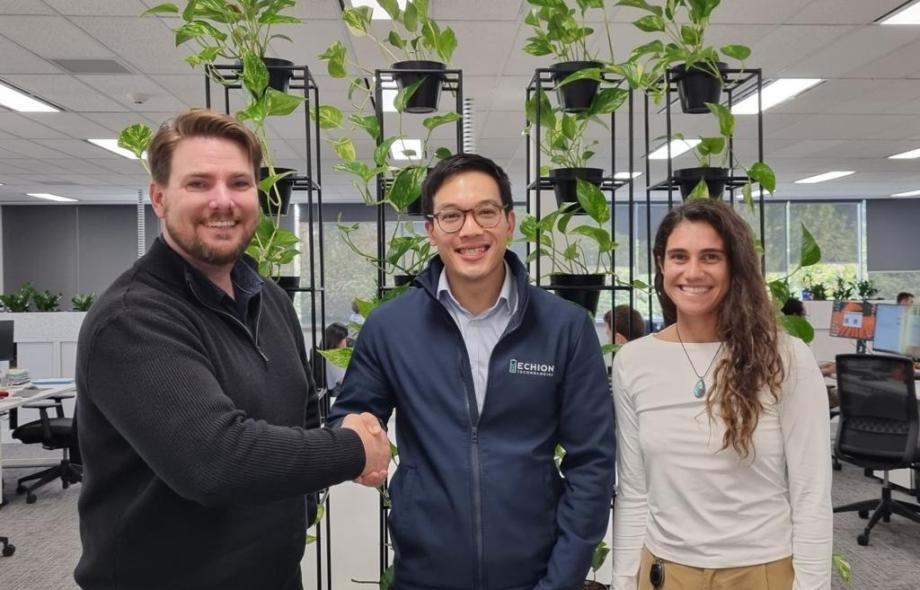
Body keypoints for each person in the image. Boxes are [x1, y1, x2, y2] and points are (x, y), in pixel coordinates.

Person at [74, 109, 390, 590]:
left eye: (239, 183)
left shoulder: (270, 299)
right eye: (199, 183)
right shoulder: (132, 319)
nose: (223, 201)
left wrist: (294, 515)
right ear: (159, 198)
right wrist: (352, 449)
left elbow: (301, 407)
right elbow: (215, 461)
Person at [328, 153, 615, 589]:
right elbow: (348, 418)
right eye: (451, 216)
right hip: (424, 576)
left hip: (537, 576)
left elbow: (592, 462)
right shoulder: (390, 327)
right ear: (430, 230)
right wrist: (356, 438)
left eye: (486, 212)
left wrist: (560, 582)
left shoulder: (565, 328)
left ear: (509, 222)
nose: (470, 230)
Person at [612, 199, 832, 590]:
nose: (692, 271)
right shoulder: (634, 361)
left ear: (734, 266)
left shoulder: (784, 358)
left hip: (759, 571)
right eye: (679, 256)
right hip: (664, 572)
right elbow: (634, 491)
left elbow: (811, 493)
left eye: (710, 256)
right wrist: (625, 581)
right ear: (662, 264)